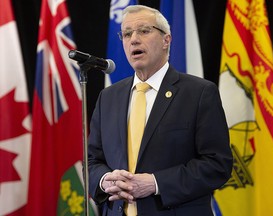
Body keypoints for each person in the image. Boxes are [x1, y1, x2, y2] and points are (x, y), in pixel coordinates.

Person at [88, 5, 233, 216]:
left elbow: (217, 164)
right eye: (127, 34)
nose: (134, 39)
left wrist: (156, 183)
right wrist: (104, 180)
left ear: (167, 40)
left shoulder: (199, 93)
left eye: (144, 31)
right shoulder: (109, 97)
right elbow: (92, 161)